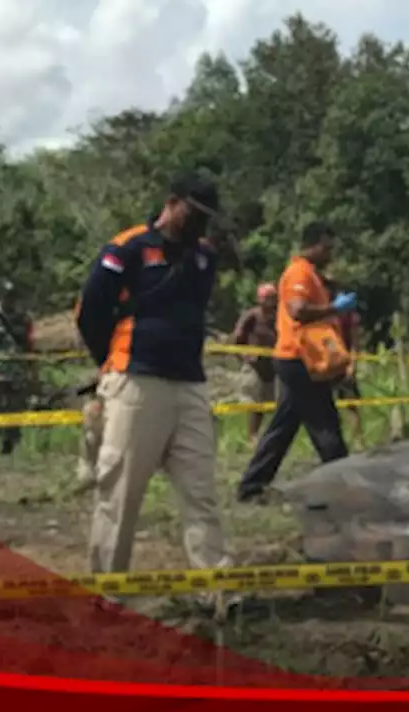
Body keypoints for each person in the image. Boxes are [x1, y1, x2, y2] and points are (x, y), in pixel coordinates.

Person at [74, 171, 232, 578]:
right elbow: (91, 311)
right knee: (121, 493)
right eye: (194, 213)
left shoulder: (203, 257)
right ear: (172, 201)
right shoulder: (126, 249)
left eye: (206, 218)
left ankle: (216, 589)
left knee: (201, 493)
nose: (199, 224)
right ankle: (109, 591)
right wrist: (109, 362)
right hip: (137, 380)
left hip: (190, 383)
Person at [236, 221, 356, 503]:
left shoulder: (311, 274)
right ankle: (342, 484)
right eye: (326, 248)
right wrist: (334, 308)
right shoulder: (298, 272)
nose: (330, 254)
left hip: (297, 358)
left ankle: (252, 486)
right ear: (312, 245)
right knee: (324, 423)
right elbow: (298, 310)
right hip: (299, 359)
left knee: (283, 426)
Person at [0, 280, 35, 455]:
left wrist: (32, 371)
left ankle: (8, 450)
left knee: (16, 409)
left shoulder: (24, 319)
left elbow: (29, 346)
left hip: (17, 371)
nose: (10, 300)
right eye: (6, 296)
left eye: (12, 296)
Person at [232, 283, 279, 443]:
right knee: (254, 401)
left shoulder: (277, 317)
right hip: (254, 364)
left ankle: (264, 436)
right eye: (268, 298)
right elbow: (237, 338)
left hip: (271, 365)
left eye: (273, 297)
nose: (271, 301)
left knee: (268, 402)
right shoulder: (251, 315)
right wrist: (244, 355)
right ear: (260, 299)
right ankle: (252, 436)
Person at [327, 277, 366, 449]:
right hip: (324, 364)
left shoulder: (349, 314)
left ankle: (358, 439)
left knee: (351, 403)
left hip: (343, 363)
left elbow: (355, 342)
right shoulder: (320, 310)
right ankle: (333, 440)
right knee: (325, 406)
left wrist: (352, 365)